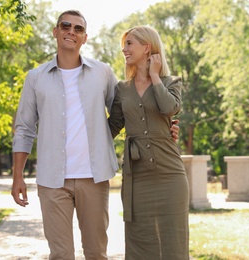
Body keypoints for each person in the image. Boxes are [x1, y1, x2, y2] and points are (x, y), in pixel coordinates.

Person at [10, 10, 179, 259]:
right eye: (65, 26)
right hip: (52, 181)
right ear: (55, 31)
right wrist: (17, 176)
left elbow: (126, 112)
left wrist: (163, 129)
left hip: (94, 177)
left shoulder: (102, 73)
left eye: (78, 28)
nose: (71, 31)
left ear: (85, 38)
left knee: (96, 253)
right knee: (60, 254)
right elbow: (24, 128)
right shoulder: (35, 78)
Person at [108, 25, 190, 260]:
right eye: (124, 45)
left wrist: (154, 76)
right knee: (139, 241)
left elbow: (169, 107)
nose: (124, 49)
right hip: (138, 177)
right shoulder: (121, 89)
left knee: (174, 241)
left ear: (147, 47)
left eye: (129, 43)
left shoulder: (171, 82)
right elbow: (112, 126)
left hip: (170, 174)